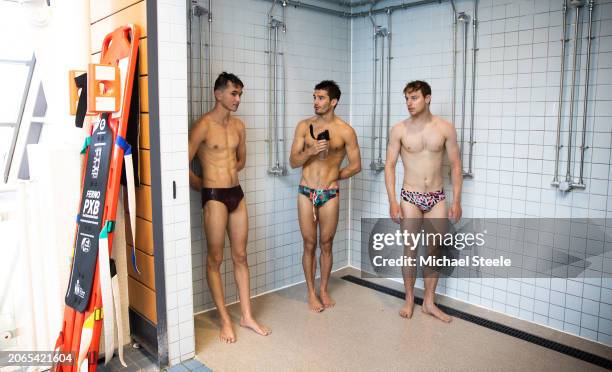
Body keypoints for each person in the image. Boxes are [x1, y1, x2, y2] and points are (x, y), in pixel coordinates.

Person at [188, 72, 270, 343]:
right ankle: (225, 320)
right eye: (233, 93)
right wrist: (203, 186)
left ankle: (246, 316)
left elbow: (241, 159)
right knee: (215, 259)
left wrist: (227, 171)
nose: (237, 99)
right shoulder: (203, 125)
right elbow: (182, 162)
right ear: (218, 94)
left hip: (236, 193)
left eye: (240, 95)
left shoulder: (239, 126)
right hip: (213, 195)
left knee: (241, 256)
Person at [384, 80, 463, 322]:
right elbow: (389, 166)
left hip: (437, 197)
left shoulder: (445, 128)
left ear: (427, 98)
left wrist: (456, 200)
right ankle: (409, 299)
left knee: (435, 250)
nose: (409, 103)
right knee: (410, 249)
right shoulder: (399, 129)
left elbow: (457, 166)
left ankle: (429, 302)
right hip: (409, 196)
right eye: (407, 98)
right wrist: (393, 202)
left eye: (414, 97)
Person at [289, 80, 362, 312]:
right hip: (305, 191)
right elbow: (293, 161)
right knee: (309, 244)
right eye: (314, 97)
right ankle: (311, 292)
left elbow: (356, 165)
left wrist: (334, 175)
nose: (315, 102)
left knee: (327, 243)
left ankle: (323, 289)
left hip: (329, 193)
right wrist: (310, 151)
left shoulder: (345, 131)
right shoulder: (303, 126)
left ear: (333, 101)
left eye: (320, 98)